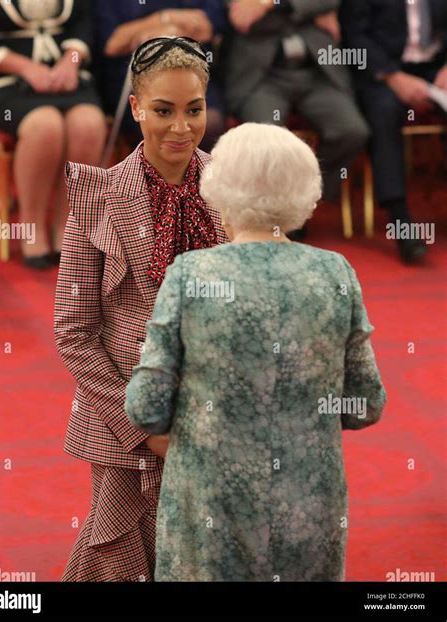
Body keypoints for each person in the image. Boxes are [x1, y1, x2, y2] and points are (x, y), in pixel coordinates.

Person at [125, 122, 387, 582]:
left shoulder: (190, 274)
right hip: (309, 505)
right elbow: (365, 405)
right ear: (305, 192)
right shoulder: (335, 273)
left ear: (220, 190)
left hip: (209, 509)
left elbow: (145, 407)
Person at [54, 36, 228, 582]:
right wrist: (142, 429)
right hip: (121, 424)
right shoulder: (96, 195)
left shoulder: (230, 186)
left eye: (194, 110)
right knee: (118, 556)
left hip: (214, 419)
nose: (181, 127)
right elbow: (74, 332)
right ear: (134, 107)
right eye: (163, 110)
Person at [0, 0, 107, 269]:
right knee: (45, 126)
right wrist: (26, 68)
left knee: (89, 125)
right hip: (3, 81)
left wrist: (70, 62)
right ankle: (31, 229)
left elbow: (84, 24)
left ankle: (69, 228)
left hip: (66, 74)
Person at [219, 0, 370, 204]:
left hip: (317, 72)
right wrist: (306, 14)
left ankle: (306, 200)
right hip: (262, 77)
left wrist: (268, 5)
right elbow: (240, 15)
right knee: (266, 141)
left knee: (351, 130)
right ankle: (279, 212)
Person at [340, 0, 447, 264]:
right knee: (383, 111)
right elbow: (354, 36)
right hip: (383, 72)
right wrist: (391, 76)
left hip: (436, 67)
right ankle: (401, 222)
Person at [93, 0, 228, 151]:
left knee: (210, 122)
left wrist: (165, 33)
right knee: (156, 119)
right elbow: (113, 43)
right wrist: (165, 18)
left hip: (192, 73)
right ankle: (159, 173)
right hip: (136, 76)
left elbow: (206, 28)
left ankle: (194, 172)